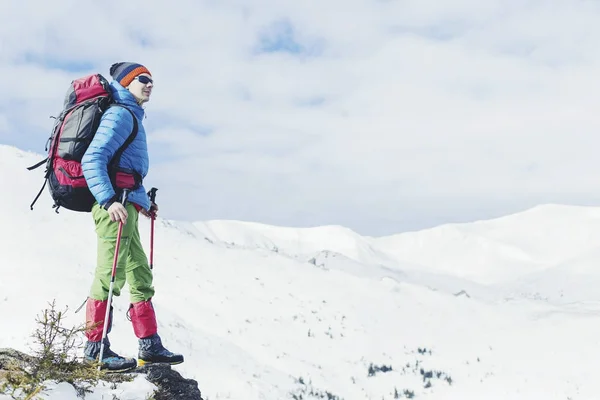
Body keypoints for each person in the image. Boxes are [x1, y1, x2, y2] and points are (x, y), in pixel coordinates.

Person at [80, 62, 183, 371]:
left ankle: (149, 345)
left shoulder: (132, 115)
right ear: (127, 83)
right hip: (114, 209)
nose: (150, 84)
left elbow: (126, 171)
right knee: (109, 277)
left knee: (140, 275)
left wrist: (142, 202)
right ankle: (95, 349)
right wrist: (108, 199)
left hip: (128, 206)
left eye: (152, 80)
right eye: (143, 79)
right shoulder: (120, 115)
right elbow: (92, 159)